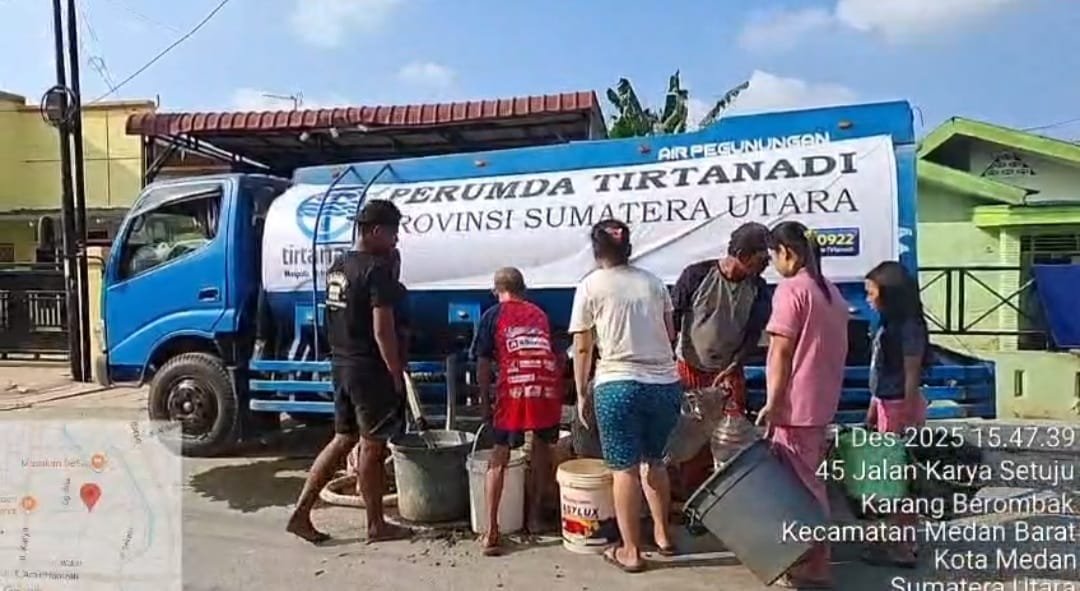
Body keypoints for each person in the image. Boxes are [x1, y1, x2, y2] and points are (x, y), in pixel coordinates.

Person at [287, 199, 409, 545]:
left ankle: (301, 511)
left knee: (343, 439)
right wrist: (395, 372)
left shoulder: (339, 266)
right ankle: (376, 525)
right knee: (373, 445)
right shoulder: (375, 270)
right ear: (376, 231)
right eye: (393, 232)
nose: (396, 239)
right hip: (368, 368)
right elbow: (382, 330)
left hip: (341, 364)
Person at [569, 219, 682, 574]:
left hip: (618, 384)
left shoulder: (590, 286)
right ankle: (663, 536)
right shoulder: (654, 283)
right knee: (655, 461)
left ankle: (631, 551)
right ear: (628, 248)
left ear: (596, 250)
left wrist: (581, 393)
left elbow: (583, 346)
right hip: (665, 384)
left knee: (624, 470)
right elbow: (670, 332)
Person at [756, 221, 849, 589]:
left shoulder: (792, 290)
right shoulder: (830, 292)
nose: (773, 264)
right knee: (809, 480)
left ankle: (813, 562)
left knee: (802, 487)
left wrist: (773, 402)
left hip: (795, 406)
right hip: (821, 401)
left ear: (787, 253)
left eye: (773, 256)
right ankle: (810, 558)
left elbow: (781, 352)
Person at [471, 267, 563, 555]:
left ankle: (491, 531)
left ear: (496, 291)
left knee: (499, 456)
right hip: (546, 387)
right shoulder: (540, 314)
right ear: (524, 289)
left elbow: (483, 364)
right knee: (541, 450)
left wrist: (484, 403)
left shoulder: (492, 316)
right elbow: (556, 354)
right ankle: (534, 519)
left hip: (514, 390)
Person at [861, 261, 931, 568]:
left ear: (889, 294)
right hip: (886, 404)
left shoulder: (909, 328)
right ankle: (888, 539)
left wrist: (905, 417)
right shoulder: (886, 324)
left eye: (871, 292)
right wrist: (873, 409)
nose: (868, 299)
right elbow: (880, 373)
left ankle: (901, 545)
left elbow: (911, 374)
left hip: (899, 407)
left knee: (896, 481)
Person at [672, 221, 772, 417]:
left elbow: (753, 333)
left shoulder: (758, 288)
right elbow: (673, 318)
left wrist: (736, 363)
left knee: (732, 428)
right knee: (691, 427)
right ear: (742, 255)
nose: (767, 265)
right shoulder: (697, 275)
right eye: (762, 259)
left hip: (728, 371)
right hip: (689, 367)